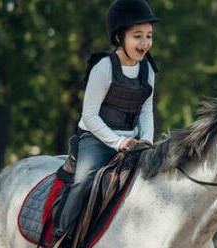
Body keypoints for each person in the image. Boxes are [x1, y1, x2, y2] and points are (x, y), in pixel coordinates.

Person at [50, 0, 159, 246]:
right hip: (96, 138)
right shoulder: (104, 67)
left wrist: (147, 142)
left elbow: (146, 111)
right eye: (137, 36)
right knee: (84, 181)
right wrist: (119, 142)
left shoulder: (148, 70)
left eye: (149, 36)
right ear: (120, 37)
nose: (145, 43)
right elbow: (89, 115)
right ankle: (63, 236)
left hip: (132, 141)